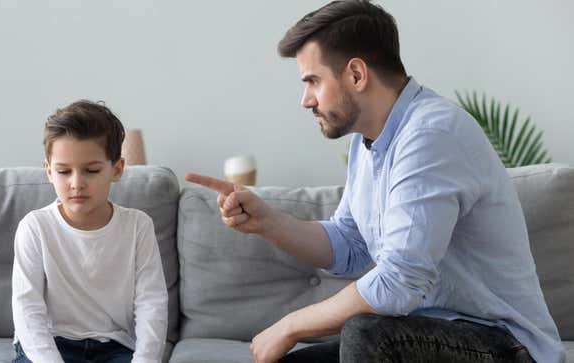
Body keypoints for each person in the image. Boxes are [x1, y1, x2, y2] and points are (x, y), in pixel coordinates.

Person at [185, 1, 564, 362]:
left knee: (366, 334)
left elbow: (398, 284)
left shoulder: (431, 133)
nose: (306, 99)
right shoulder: (367, 144)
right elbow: (349, 244)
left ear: (356, 74)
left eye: (313, 81)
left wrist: (291, 325)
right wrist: (268, 221)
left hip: (504, 346)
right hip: (421, 336)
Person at [11, 100, 168, 363]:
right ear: (49, 171)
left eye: (92, 171)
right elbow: (28, 310)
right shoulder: (35, 227)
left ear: (116, 169)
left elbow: (152, 305)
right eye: (63, 171)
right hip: (51, 345)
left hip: (115, 347)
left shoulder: (138, 226)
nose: (76, 184)